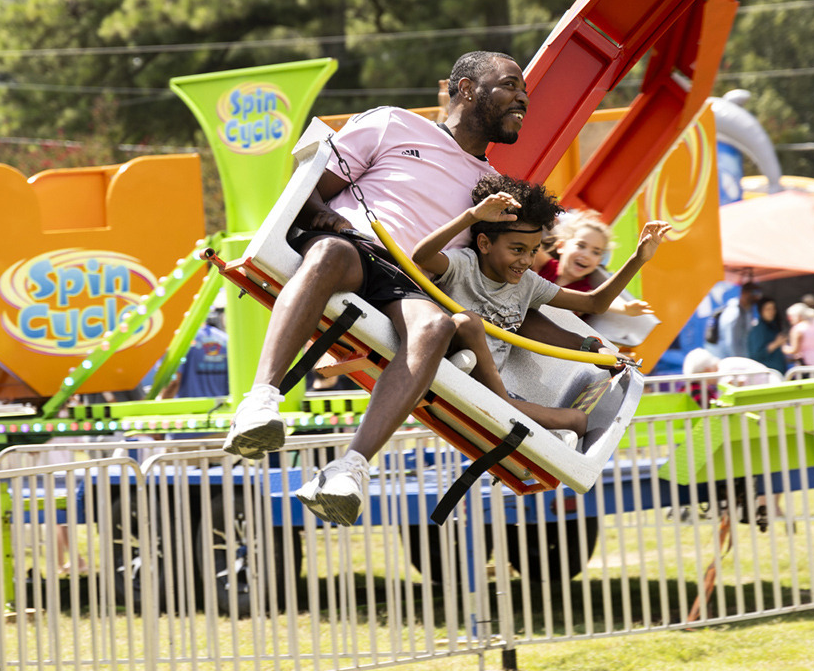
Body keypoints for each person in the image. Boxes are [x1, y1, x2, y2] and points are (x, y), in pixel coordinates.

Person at [224, 50, 577, 527]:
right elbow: (308, 188)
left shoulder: (493, 188)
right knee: (329, 253)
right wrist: (319, 215)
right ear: (468, 89)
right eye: (512, 85)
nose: (523, 98)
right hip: (350, 248)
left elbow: (503, 281)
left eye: (525, 92)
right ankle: (261, 402)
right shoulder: (392, 123)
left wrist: (587, 339)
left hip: (407, 281)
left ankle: (349, 471)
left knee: (434, 325)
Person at [411, 174, 670, 440]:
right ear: (485, 244)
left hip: (491, 390)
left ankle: (510, 410)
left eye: (533, 251)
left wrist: (638, 258)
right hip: (450, 367)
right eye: (517, 249)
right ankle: (505, 405)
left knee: (578, 421)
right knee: (468, 323)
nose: (526, 260)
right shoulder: (464, 264)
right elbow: (422, 257)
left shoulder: (527, 283)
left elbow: (595, 302)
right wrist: (472, 217)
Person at [713, 283, 761, 359]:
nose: (757, 297)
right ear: (744, 293)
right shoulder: (734, 313)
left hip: (740, 358)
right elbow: (731, 342)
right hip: (732, 362)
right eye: (753, 293)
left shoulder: (746, 311)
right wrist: (738, 363)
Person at [747, 297, 788, 375]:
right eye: (768, 309)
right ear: (761, 311)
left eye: (773, 309)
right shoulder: (758, 329)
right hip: (767, 375)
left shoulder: (772, 326)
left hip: (778, 372)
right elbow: (757, 354)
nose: (771, 312)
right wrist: (776, 344)